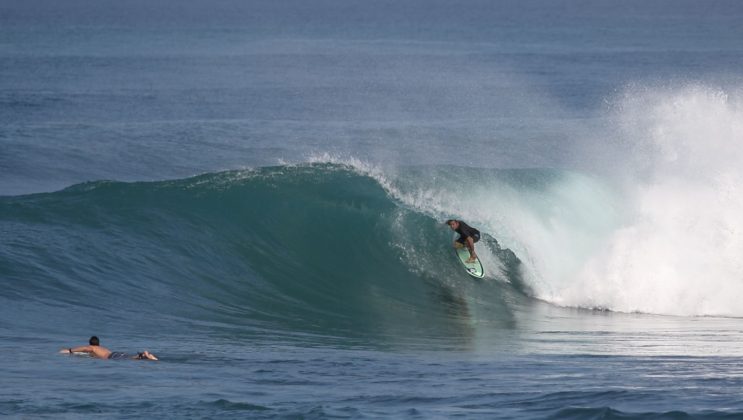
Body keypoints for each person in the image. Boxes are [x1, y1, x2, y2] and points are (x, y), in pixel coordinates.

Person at [59, 336, 158, 360]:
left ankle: (143, 356)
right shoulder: (102, 348)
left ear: (91, 344)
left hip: (112, 357)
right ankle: (144, 355)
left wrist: (70, 350)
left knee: (130, 359)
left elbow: (85, 348)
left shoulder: (92, 348)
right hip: (115, 353)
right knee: (130, 357)